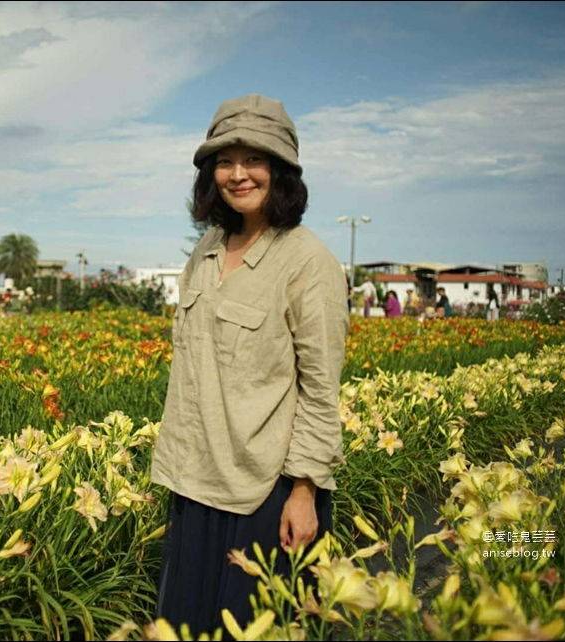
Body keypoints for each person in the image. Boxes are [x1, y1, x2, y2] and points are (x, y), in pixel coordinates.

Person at [151, 95, 349, 637]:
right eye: (224, 160)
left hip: (264, 496)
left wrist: (305, 491)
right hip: (194, 486)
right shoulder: (208, 249)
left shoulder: (308, 260)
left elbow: (319, 387)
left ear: (281, 170)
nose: (238, 174)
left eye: (254, 159)